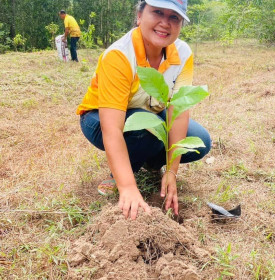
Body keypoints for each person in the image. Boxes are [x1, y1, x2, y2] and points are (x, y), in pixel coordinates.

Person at [76, 0, 211, 220]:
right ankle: (120, 173)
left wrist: (171, 170)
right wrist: (128, 187)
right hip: (99, 119)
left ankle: (152, 163)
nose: (165, 23)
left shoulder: (183, 53)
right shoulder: (119, 55)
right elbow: (112, 129)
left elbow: (178, 112)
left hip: (148, 114)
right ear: (139, 16)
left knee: (199, 140)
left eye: (174, 17)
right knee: (147, 128)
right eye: (157, 12)